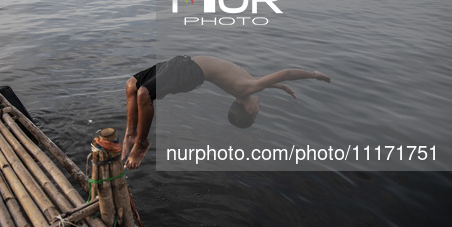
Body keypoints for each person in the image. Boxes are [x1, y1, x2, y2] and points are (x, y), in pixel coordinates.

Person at [122, 55, 331, 169]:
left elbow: (285, 73)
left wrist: (313, 75)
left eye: (257, 112)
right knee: (131, 84)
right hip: (182, 63)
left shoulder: (247, 89)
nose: (259, 107)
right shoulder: (246, 87)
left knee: (143, 94)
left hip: (189, 71)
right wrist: (282, 87)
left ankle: (141, 143)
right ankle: (131, 134)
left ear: (248, 109)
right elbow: (273, 79)